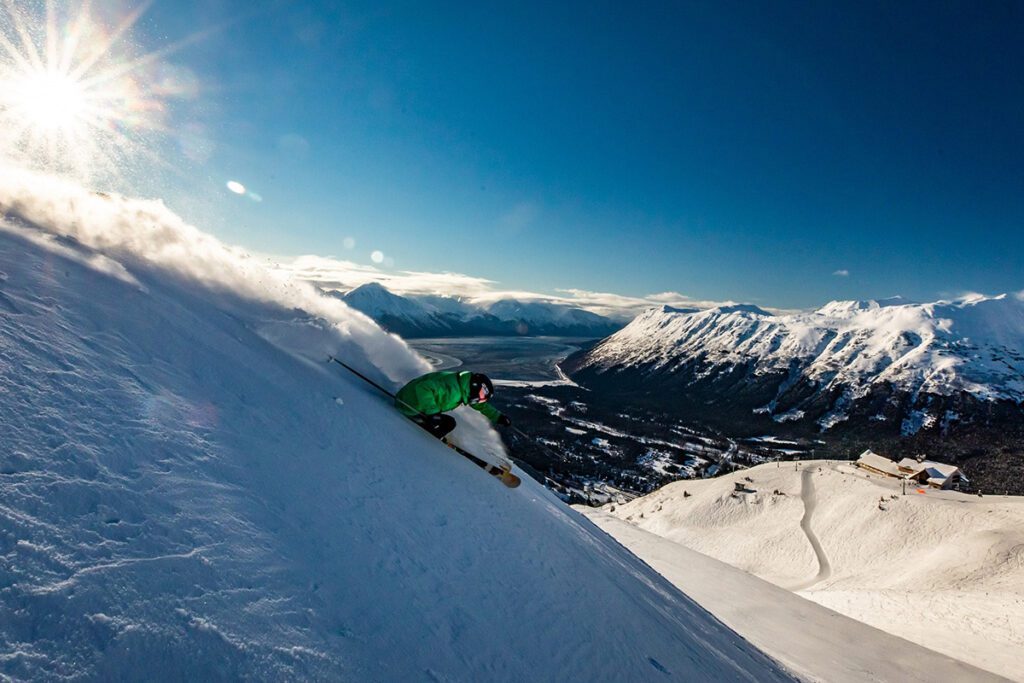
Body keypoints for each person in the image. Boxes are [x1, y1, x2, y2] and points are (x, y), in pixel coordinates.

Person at [395, 370, 511, 440]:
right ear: (475, 386)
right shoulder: (453, 389)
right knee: (448, 423)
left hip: (416, 404)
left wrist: (498, 417)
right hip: (409, 406)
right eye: (482, 394)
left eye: (483, 397)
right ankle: (428, 441)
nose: (480, 399)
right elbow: (423, 387)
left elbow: (480, 406)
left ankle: (430, 434)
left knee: (446, 422)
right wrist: (433, 412)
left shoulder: (463, 387)